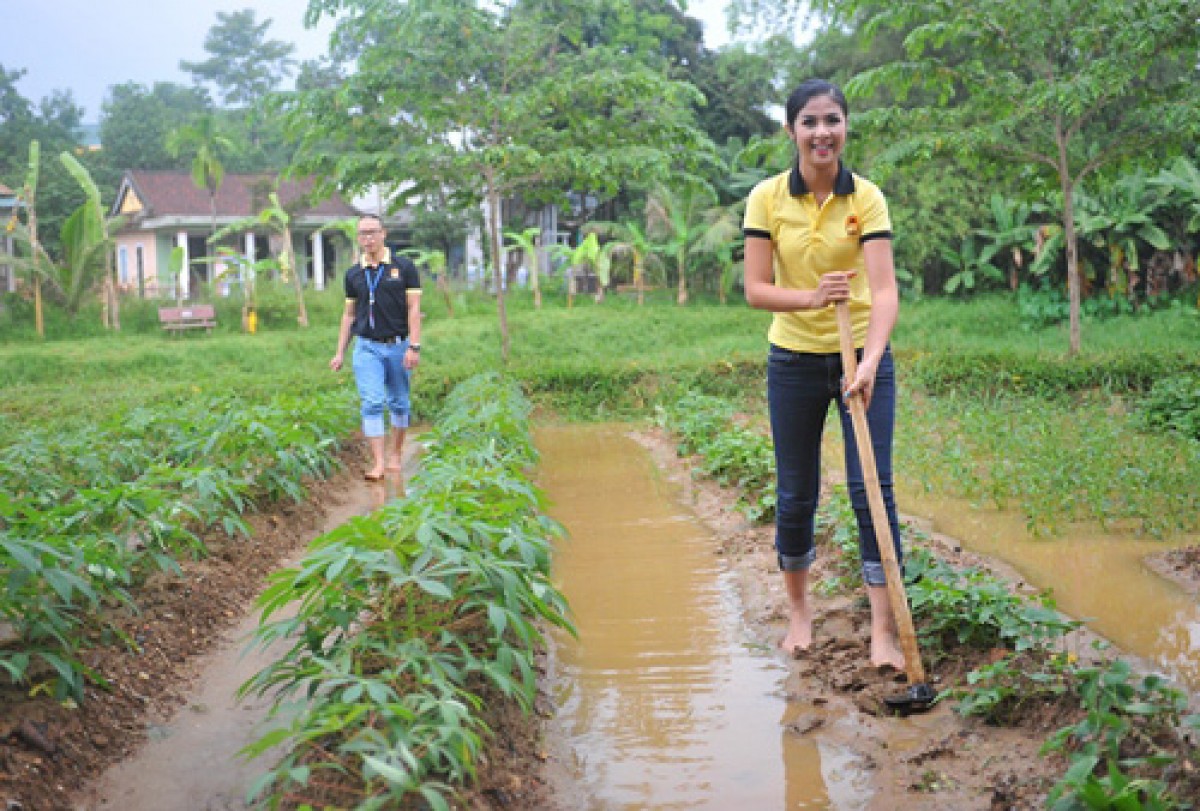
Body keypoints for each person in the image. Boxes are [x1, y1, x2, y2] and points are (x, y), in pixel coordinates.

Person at [742, 79, 904, 670]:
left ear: (845, 126)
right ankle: (800, 614)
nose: (822, 133)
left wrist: (868, 362)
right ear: (791, 131)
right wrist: (811, 299)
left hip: (861, 358)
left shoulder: (867, 197)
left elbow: (884, 291)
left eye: (832, 120)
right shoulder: (766, 198)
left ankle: (883, 632)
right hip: (793, 362)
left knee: (872, 494)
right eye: (809, 122)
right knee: (795, 494)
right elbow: (756, 290)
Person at [330, 214, 422, 481]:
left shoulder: (404, 268)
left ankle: (396, 453)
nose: (367, 238)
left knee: (399, 403)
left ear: (384, 233)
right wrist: (340, 353)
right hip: (366, 347)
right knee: (371, 403)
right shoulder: (353, 274)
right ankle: (379, 463)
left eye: (372, 232)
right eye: (362, 234)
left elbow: (414, 309)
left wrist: (414, 346)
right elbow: (348, 315)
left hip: (398, 345)